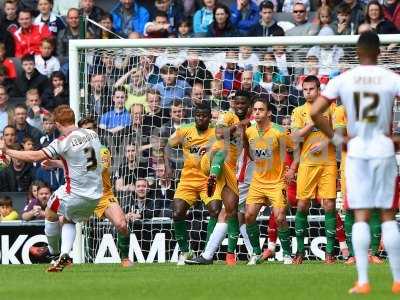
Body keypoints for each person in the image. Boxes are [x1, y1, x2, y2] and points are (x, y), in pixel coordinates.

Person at [310, 31, 400, 294]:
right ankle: (397, 279)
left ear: (357, 52)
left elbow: (315, 112)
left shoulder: (343, 79)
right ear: (380, 52)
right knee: (387, 216)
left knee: (359, 215)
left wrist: (337, 139)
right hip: (383, 149)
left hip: (357, 149)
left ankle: (362, 281)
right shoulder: (390, 78)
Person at [0, 105, 103, 272]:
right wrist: (56, 163)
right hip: (95, 194)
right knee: (69, 219)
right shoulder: (91, 134)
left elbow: (35, 155)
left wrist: (7, 151)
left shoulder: (63, 141)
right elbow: (85, 163)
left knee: (49, 212)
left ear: (58, 124)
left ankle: (54, 254)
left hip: (74, 192)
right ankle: (64, 255)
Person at [185, 90, 253, 265]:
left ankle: (210, 256)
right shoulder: (228, 116)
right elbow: (220, 134)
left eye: (242, 103)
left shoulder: (254, 122)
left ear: (249, 105)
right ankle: (212, 177)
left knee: (230, 212)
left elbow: (248, 146)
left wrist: (245, 129)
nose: (239, 106)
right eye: (236, 103)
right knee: (220, 151)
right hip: (212, 161)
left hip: (231, 172)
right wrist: (240, 125)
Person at [165, 102, 222, 265]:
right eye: (198, 115)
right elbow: (168, 146)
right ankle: (186, 251)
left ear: (210, 118)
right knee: (177, 213)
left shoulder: (216, 132)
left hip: (209, 179)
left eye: (204, 116)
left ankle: (206, 253)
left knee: (215, 210)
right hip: (188, 180)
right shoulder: (184, 130)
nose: (200, 118)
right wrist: (168, 167)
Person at [291, 75, 337, 265]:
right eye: (305, 89)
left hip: (328, 162)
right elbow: (295, 136)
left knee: (330, 205)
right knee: (302, 205)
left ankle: (329, 253)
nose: (308, 92)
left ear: (319, 90)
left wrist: (326, 141)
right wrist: (313, 122)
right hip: (307, 163)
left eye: (311, 89)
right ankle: (300, 252)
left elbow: (340, 133)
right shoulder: (299, 111)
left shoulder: (332, 107)